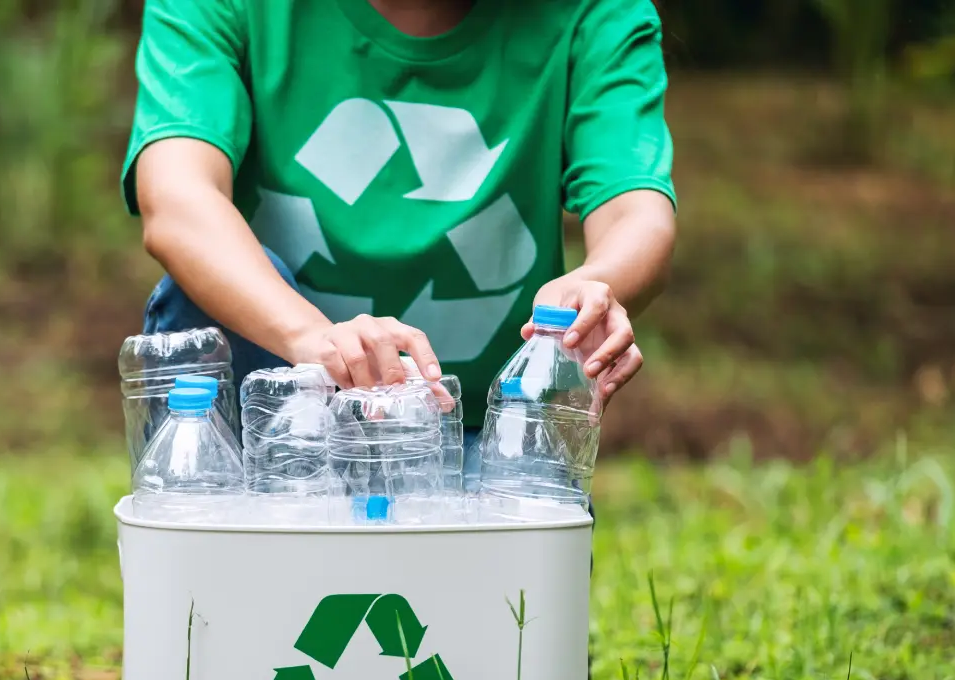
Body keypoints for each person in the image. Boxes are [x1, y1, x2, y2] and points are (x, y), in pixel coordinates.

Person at [125, 0, 677, 478]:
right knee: (194, 306)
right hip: (280, 425)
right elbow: (177, 199)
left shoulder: (593, 12)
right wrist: (314, 339)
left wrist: (593, 286)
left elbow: (637, 213)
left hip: (484, 435)